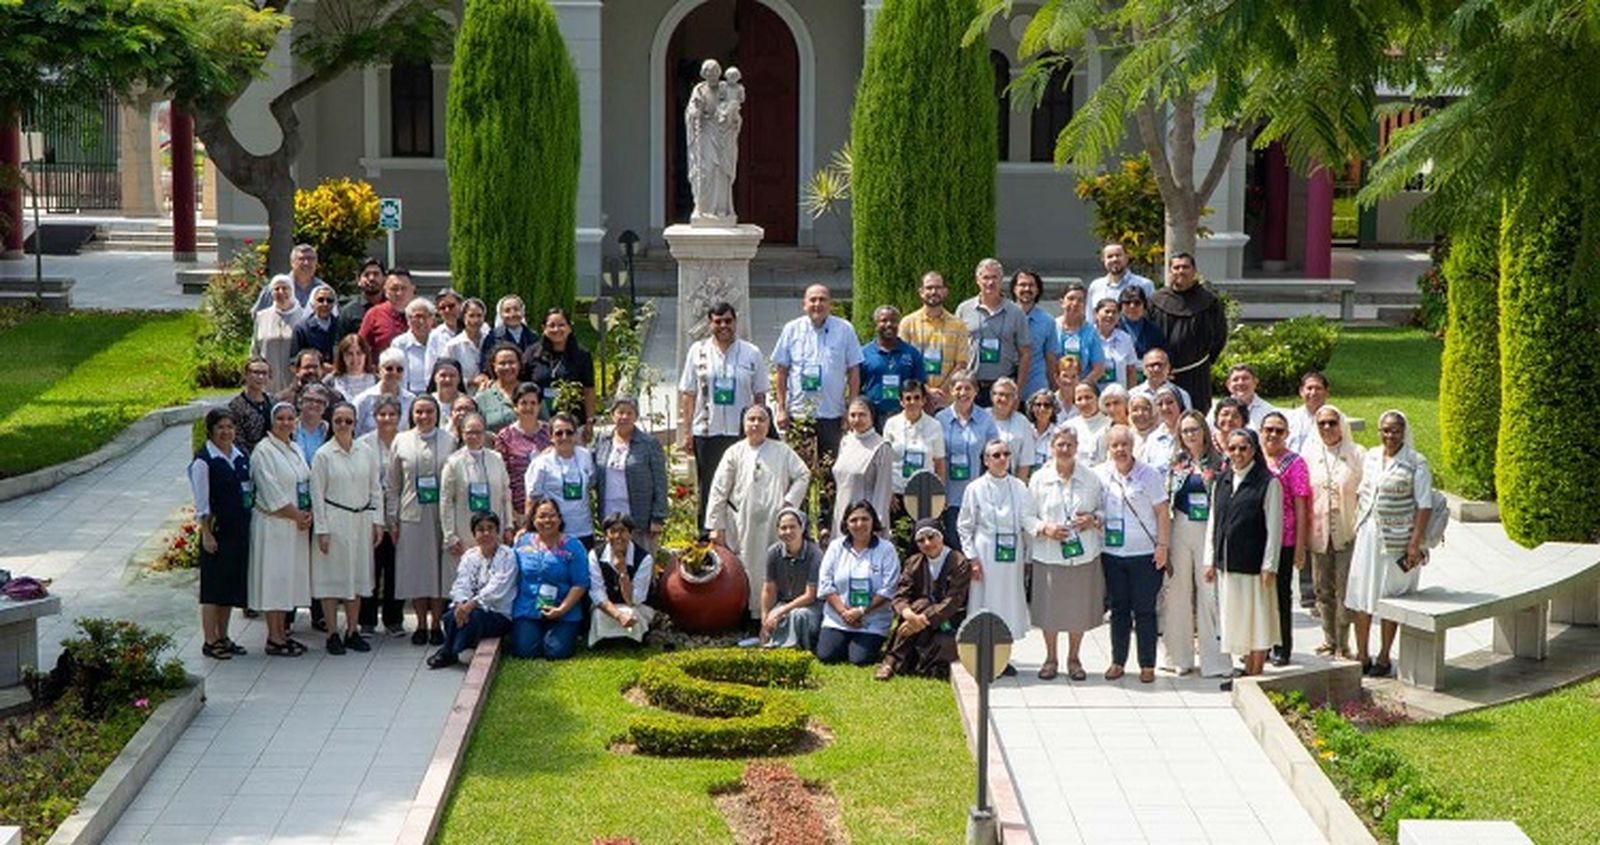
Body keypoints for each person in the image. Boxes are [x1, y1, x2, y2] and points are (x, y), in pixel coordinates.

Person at [1346, 410, 1433, 678]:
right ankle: (1362, 654)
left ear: (1404, 432)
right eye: (1385, 430)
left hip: (1398, 539)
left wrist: (1414, 543)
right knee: (1362, 594)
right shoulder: (1371, 457)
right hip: (1368, 533)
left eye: (1395, 430)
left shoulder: (1416, 462)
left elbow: (1424, 504)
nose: (1389, 435)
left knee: (1391, 596)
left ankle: (1384, 656)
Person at [706, 404, 811, 615]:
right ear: (743, 424)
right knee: (745, 566)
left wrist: (790, 502)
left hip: (774, 524)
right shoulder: (734, 452)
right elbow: (719, 491)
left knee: (772, 566)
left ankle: (771, 611)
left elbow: (803, 474)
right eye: (751, 419)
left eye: (761, 419)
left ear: (769, 423)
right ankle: (746, 611)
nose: (756, 424)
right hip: (743, 522)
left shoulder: (781, 450)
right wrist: (716, 526)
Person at [677, 301, 769, 530]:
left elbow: (759, 396)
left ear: (735, 322)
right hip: (707, 432)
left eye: (728, 321)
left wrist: (761, 431)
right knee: (709, 487)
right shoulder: (697, 352)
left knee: (742, 487)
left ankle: (740, 536)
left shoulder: (751, 353)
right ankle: (707, 538)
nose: (723, 326)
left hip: (741, 434)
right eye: (718, 321)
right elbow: (688, 394)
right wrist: (687, 433)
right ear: (710, 323)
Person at [1027, 427, 1105, 681]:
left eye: (1069, 445)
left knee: (1077, 609)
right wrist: (1044, 528)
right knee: (1049, 609)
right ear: (1051, 447)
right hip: (1049, 553)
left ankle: (1074, 658)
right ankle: (1050, 658)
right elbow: (1027, 515)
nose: (1065, 449)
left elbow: (1106, 511)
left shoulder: (1091, 478)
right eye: (1060, 444)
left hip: (1082, 554)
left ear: (1077, 447)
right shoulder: (1039, 478)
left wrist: (1093, 519)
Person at [1207, 428, 1284, 683]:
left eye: (1243, 448)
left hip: (1255, 565)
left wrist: (1269, 565)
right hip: (1228, 565)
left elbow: (1274, 527)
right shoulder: (1222, 480)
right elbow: (1213, 522)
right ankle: (1247, 667)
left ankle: (1255, 671)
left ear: (1253, 450)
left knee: (1257, 619)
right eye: (1233, 448)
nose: (1238, 453)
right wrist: (1210, 559)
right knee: (1237, 620)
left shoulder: (1268, 482)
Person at [1096, 425, 1172, 683]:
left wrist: (1163, 547)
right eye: (1115, 445)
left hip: (1145, 554)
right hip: (1113, 553)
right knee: (1118, 609)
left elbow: (1163, 512)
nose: (1120, 450)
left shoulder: (1148, 475)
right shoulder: (1101, 474)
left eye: (1124, 445)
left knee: (1145, 610)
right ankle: (1118, 661)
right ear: (1109, 449)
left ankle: (1147, 664)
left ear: (1132, 447)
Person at [958, 438, 1037, 674]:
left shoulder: (1020, 487)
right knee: (985, 601)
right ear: (985, 460)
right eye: (996, 455)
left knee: (1007, 604)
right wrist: (972, 558)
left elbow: (1027, 522)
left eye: (1006, 454)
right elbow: (964, 526)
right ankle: (981, 655)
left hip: (1011, 555)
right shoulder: (975, 488)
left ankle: (1003, 657)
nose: (1002, 459)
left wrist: (1027, 558)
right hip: (984, 553)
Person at [309, 401, 380, 655]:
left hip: (360, 521)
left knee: (357, 576)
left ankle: (352, 630)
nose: (343, 425)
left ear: (355, 423)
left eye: (348, 421)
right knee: (332, 577)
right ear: (332, 422)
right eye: (338, 420)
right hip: (334, 520)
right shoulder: (323, 455)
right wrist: (322, 530)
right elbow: (316, 495)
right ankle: (331, 633)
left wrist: (377, 520)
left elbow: (375, 488)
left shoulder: (366, 451)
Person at [386, 395, 458, 646]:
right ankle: (420, 623)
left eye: (429, 411)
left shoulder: (450, 441)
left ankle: (436, 624)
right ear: (412, 415)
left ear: (437, 414)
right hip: (411, 515)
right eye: (419, 412)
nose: (424, 416)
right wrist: (391, 520)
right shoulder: (401, 441)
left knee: (437, 571)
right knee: (417, 571)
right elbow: (393, 485)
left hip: (441, 516)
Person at [1166, 410, 1231, 677]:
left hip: (1209, 527)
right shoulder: (1176, 462)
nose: (1190, 435)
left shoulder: (1220, 462)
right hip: (1180, 526)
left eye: (1194, 429)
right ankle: (1178, 658)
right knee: (1177, 592)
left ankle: (1215, 662)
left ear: (1204, 430)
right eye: (1185, 431)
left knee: (1209, 595)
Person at [771, 283, 863, 465]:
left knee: (830, 468)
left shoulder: (845, 329)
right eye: (812, 299)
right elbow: (781, 372)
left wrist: (851, 407)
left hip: (832, 413)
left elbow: (854, 370)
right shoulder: (791, 329)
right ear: (804, 304)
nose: (817, 304)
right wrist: (781, 409)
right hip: (800, 414)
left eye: (822, 299)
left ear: (830, 304)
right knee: (800, 469)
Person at [249, 402, 314, 656]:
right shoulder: (263, 451)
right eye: (280, 419)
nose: (286, 423)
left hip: (295, 526)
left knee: (287, 581)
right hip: (274, 526)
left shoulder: (295, 447)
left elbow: (303, 481)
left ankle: (283, 633)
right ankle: (274, 638)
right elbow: (270, 490)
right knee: (274, 581)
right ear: (272, 422)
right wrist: (296, 514)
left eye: (290, 418)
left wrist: (305, 513)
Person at [189, 408, 251, 660]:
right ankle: (210, 639)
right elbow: (202, 503)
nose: (226, 432)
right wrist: (206, 534)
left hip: (239, 529)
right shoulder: (204, 461)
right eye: (221, 427)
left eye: (230, 427)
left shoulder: (239, 455)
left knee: (229, 587)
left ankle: (224, 635)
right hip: (218, 531)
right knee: (213, 589)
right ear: (211, 431)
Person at [877, 518, 972, 680]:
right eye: (921, 540)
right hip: (916, 616)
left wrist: (922, 618)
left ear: (941, 536)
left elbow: (954, 601)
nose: (927, 543)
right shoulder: (913, 562)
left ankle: (891, 660)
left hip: (950, 619)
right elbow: (901, 594)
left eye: (931, 537)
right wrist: (909, 616)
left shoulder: (958, 562)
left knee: (924, 609)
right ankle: (898, 661)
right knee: (921, 604)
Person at [1306, 404, 1363, 658]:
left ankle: (1343, 643)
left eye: (1332, 422)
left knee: (1344, 588)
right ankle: (1328, 639)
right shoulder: (1310, 453)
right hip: (1319, 532)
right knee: (1322, 589)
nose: (1327, 428)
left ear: (1342, 424)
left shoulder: (1357, 454)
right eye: (1322, 424)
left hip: (1347, 531)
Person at [815, 500, 901, 666]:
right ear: (846, 524)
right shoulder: (835, 547)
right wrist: (844, 613)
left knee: (859, 659)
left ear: (873, 521)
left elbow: (888, 588)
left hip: (872, 619)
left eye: (865, 519)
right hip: (838, 618)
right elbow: (825, 584)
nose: (859, 524)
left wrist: (861, 611)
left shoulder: (886, 549)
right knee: (827, 656)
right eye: (853, 520)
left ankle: (864, 643)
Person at [428, 511, 517, 669]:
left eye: (491, 528)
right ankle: (459, 649)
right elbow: (461, 583)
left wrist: (471, 605)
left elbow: (498, 588)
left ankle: (449, 651)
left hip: (498, 612)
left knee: (474, 618)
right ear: (474, 534)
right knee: (449, 616)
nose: (486, 533)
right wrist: (461, 603)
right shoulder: (470, 556)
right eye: (481, 529)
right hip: (471, 609)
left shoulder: (508, 556)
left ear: (497, 532)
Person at [441, 411, 515, 598]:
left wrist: (508, 526)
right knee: (464, 582)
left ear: (485, 433)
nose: (473, 437)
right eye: (469, 432)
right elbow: (446, 500)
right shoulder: (453, 462)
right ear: (462, 433)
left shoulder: (496, 459)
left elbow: (506, 494)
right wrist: (450, 535)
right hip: (463, 532)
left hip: (493, 530)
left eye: (478, 432)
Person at [509, 496, 589, 659]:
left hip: (564, 609)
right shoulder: (522, 543)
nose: (547, 520)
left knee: (556, 652)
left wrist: (561, 610)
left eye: (552, 515)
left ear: (559, 519)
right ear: (533, 520)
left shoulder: (573, 546)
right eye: (541, 516)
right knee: (526, 651)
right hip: (528, 608)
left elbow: (580, 583)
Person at [1261, 411, 1311, 666]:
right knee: (1260, 595)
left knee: (1281, 595)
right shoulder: (1254, 457)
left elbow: (1302, 506)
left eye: (1279, 430)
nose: (1273, 435)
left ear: (1287, 434)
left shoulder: (1295, 463)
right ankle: (1263, 644)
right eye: (1268, 429)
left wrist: (1301, 546)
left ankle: (1282, 647)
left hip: (1285, 538)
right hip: (1257, 538)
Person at [1149, 252, 1228, 412]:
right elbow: (1147, 336)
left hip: (1196, 374)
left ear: (1194, 271)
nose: (1181, 271)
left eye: (1185, 267)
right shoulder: (1156, 300)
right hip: (1162, 373)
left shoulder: (1208, 301)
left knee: (1196, 418)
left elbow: (1219, 335)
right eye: (1176, 267)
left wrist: (1205, 361)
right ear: (1170, 271)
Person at [357, 395, 406, 637]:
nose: (387, 419)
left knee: (395, 568)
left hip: (399, 516)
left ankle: (393, 620)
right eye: (382, 414)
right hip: (371, 515)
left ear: (399, 417)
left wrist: (394, 518)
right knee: (371, 568)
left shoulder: (406, 441)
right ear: (374, 417)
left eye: (392, 414)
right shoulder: (363, 444)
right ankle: (367, 620)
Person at [592, 397, 669, 550]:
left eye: (629, 413)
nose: (624, 417)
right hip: (610, 515)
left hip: (640, 518)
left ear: (636, 416)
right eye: (620, 412)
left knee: (641, 565)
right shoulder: (602, 441)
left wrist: (658, 517)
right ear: (612, 415)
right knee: (612, 564)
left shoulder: (648, 443)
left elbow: (660, 482)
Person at [955, 258, 1032, 405]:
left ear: (1001, 280)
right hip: (972, 386)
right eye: (985, 277)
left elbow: (1025, 353)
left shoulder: (1016, 312)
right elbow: (956, 349)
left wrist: (1017, 389)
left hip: (1003, 388)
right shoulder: (964, 309)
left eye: (994, 277)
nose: (990, 282)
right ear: (977, 280)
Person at [935, 373, 998, 551]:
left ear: (976, 391)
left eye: (968, 388)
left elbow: (992, 456)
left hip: (977, 495)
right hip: (950, 495)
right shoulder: (940, 419)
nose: (963, 392)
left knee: (976, 545)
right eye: (958, 388)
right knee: (953, 544)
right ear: (950, 391)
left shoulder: (986, 419)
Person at [898, 271, 971, 410]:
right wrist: (926, 390)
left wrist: (940, 393)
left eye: (938, 288)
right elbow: (904, 363)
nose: (933, 291)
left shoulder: (958, 325)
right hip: (916, 401)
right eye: (929, 288)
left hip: (947, 401)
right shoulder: (907, 323)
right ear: (921, 292)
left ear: (945, 291)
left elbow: (961, 364)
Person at [524, 413, 597, 548]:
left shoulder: (585, 456)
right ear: (551, 437)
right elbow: (532, 498)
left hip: (584, 530)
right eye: (559, 433)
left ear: (575, 435)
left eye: (569, 432)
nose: (564, 437)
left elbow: (592, 483)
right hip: (554, 532)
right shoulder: (541, 463)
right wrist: (529, 531)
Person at [586, 513, 657, 647]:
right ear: (606, 535)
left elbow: (634, 600)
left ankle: (630, 640)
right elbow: (597, 593)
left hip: (636, 605)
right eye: (613, 531)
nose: (618, 536)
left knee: (631, 613)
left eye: (623, 531)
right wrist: (618, 615)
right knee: (599, 614)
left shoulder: (644, 558)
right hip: (608, 607)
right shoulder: (594, 555)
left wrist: (623, 573)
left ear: (630, 534)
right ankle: (608, 640)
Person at [520, 307, 597, 429]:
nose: (556, 329)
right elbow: (521, 386)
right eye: (551, 325)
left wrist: (590, 421)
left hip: (572, 422)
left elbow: (588, 390)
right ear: (543, 328)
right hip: (538, 421)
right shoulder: (532, 353)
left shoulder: (582, 356)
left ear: (569, 328)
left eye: (561, 325)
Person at [760, 508, 823, 650]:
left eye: (792, 527)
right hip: (784, 603)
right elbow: (769, 589)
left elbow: (810, 595)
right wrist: (765, 618)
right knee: (776, 618)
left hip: (811, 605)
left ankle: (796, 649)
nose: (788, 532)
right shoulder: (773, 553)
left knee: (798, 616)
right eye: (783, 528)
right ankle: (776, 645)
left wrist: (781, 611)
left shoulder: (815, 554)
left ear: (802, 528)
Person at [831, 398, 894, 539]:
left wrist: (876, 525)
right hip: (842, 513)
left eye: (862, 415)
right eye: (853, 415)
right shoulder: (846, 441)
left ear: (872, 416)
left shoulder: (882, 447)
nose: (857, 419)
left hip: (865, 521)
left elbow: (883, 491)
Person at [859, 304, 925, 428]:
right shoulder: (863, 353)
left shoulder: (911, 353)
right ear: (876, 324)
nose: (889, 324)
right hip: (873, 416)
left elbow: (920, 385)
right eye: (883, 320)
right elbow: (857, 386)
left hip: (904, 416)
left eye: (893, 321)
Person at [493, 382, 549, 517]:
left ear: (539, 406)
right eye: (523, 403)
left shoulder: (551, 433)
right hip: (517, 510)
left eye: (533, 403)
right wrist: (512, 513)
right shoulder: (505, 437)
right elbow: (501, 477)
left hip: (549, 510)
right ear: (515, 407)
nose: (528, 407)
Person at [1011, 269, 1061, 401]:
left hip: (1036, 391)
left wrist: (1053, 387)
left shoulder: (1048, 321)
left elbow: (1050, 358)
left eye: (1031, 285)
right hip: (1007, 390)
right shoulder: (1005, 316)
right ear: (1014, 289)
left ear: (1038, 290)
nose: (1027, 288)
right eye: (1022, 285)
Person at [251, 274, 305, 394]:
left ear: (292, 290)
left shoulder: (303, 316)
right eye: (276, 289)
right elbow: (255, 351)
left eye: (285, 288)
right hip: (267, 383)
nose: (281, 292)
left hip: (295, 384)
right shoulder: (262, 317)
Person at [1055, 281, 1106, 387]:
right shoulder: (1052, 328)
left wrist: (1081, 386)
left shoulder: (1091, 331)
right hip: (1056, 386)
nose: (1075, 303)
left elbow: (1099, 368)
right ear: (1062, 302)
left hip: (1082, 389)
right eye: (1071, 298)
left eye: (1080, 300)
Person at [353, 348, 414, 436]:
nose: (394, 372)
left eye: (399, 369)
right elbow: (354, 432)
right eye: (389, 368)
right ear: (379, 370)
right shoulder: (364, 400)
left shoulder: (411, 400)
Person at [358, 268, 415, 358]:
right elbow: (360, 348)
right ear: (385, 291)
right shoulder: (374, 314)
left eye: (404, 288)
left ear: (412, 290)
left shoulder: (424, 314)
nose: (399, 293)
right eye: (394, 289)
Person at [1087, 242, 1156, 312]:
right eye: (1110, 256)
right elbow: (1090, 317)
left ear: (1126, 258)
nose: (1114, 259)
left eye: (1118, 255)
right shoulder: (1096, 286)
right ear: (1103, 260)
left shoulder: (1144, 285)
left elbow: (1151, 315)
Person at [478, 295, 536, 376]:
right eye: (507, 311)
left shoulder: (533, 336)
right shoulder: (493, 337)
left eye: (516, 309)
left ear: (523, 312)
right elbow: (485, 364)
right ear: (501, 314)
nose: (512, 314)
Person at [252, 243, 321, 310]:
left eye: (311, 259)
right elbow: (259, 316)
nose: (306, 263)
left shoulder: (323, 289)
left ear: (316, 262)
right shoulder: (275, 288)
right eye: (301, 259)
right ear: (292, 263)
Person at [391, 297, 437, 396]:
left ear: (432, 319)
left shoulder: (440, 340)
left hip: (436, 394)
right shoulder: (399, 344)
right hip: (409, 396)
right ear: (408, 320)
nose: (421, 321)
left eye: (426, 316)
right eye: (417, 316)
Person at [475, 344, 525, 433]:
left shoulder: (531, 392)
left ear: (519, 364)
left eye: (512, 362)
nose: (507, 367)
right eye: (502, 363)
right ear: (494, 366)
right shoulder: (482, 398)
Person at [229, 357, 275, 453]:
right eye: (256, 372)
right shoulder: (237, 406)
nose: (260, 377)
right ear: (246, 375)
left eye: (264, 373)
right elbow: (237, 440)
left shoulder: (272, 402)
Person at [1091, 297, 1139, 389]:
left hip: (1118, 395)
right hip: (1092, 394)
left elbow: (1131, 370)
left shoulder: (1125, 338)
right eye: (1107, 311)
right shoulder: (1088, 336)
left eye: (1114, 312)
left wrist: (1130, 394)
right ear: (1096, 314)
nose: (1110, 315)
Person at [1213, 364, 1278, 430]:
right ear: (1228, 384)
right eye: (1235, 379)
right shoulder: (1217, 409)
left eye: (1245, 378)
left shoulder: (1269, 411)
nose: (1240, 383)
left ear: (1255, 382)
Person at [442, 297, 489, 386]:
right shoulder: (453, 346)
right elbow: (445, 373)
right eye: (471, 316)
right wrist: (471, 382)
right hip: (463, 396)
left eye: (479, 315)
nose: (475, 320)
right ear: (463, 317)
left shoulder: (490, 340)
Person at [336, 258, 385, 342]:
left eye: (376, 274)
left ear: (385, 278)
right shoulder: (348, 312)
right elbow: (339, 344)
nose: (371, 278)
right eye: (366, 275)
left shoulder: (394, 308)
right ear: (358, 280)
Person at [290, 283, 340, 364]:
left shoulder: (340, 325)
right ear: (312, 303)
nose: (325, 304)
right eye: (320, 300)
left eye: (329, 300)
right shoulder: (302, 328)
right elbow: (293, 361)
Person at [1128, 348, 1193, 410]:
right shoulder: (1132, 395)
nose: (1156, 369)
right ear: (1144, 370)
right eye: (1152, 365)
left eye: (1160, 365)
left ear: (1168, 367)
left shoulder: (1181, 395)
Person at [1286, 372, 1330, 454]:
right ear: (1301, 391)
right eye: (1309, 388)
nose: (1313, 393)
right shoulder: (1289, 418)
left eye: (1318, 388)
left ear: (1327, 392)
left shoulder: (1334, 419)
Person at [1117, 286, 1166, 360]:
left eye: (1137, 303)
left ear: (1144, 305)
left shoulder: (1154, 331)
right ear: (1120, 306)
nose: (1132, 306)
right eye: (1127, 302)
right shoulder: (1112, 328)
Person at [324, 335, 376, 404]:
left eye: (359, 353)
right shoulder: (330, 380)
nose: (355, 359)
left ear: (366, 355)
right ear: (342, 357)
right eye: (350, 354)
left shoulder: (377, 380)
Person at [1066, 382, 1109, 465]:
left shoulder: (1110, 424)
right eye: (1079, 399)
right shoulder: (1068, 427)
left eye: (1088, 397)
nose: (1084, 403)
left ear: (1098, 399)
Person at [425, 288, 464, 373]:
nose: (447, 310)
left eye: (451, 306)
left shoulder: (476, 329)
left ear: (460, 305)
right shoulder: (435, 335)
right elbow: (430, 367)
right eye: (442, 308)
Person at [1025, 389, 1060, 471]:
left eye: (1046, 405)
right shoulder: (1024, 431)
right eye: (1038, 405)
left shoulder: (1059, 433)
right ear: (1032, 408)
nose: (1042, 408)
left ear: (1053, 409)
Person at [1051, 356, 1082, 422]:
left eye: (1073, 376)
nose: (1069, 381)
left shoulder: (1084, 403)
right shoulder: (1049, 403)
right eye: (1065, 376)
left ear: (1079, 378)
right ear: (1056, 377)